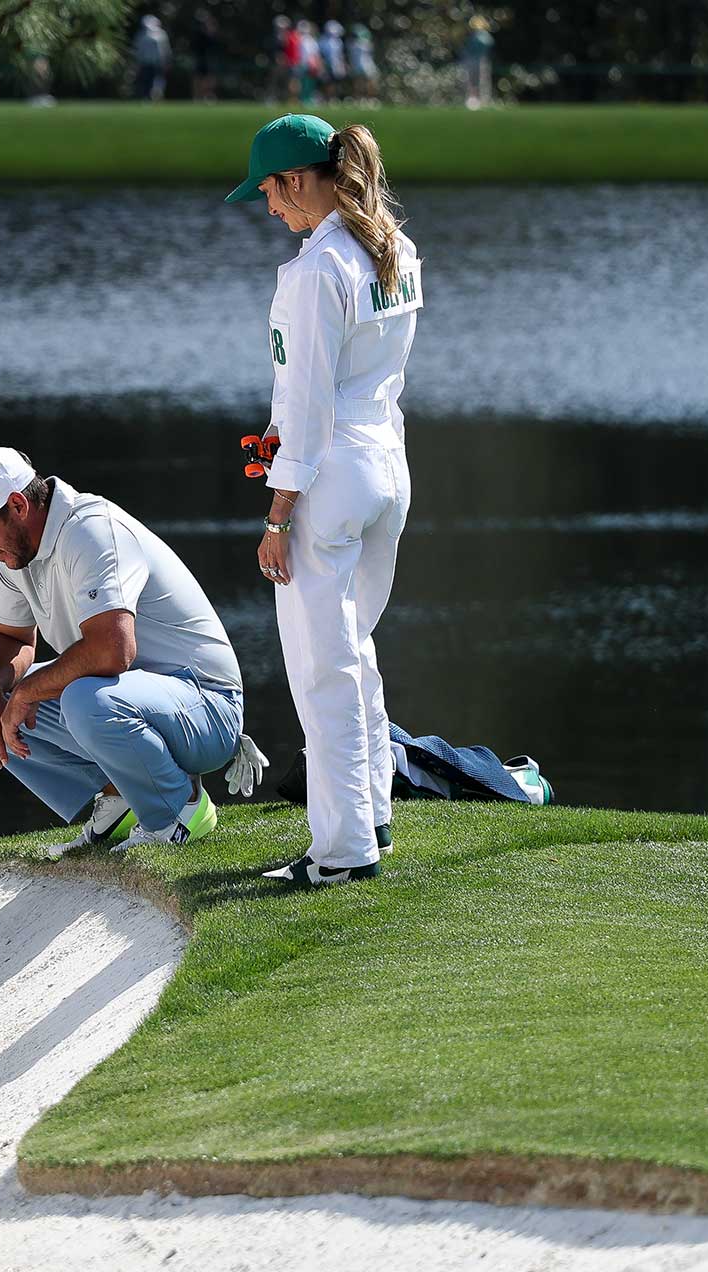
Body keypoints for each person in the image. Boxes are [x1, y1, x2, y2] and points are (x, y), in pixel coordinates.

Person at [223, 115, 422, 887]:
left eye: (269, 192)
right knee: (355, 654)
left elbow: (306, 407)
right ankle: (371, 815)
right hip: (386, 471)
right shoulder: (393, 248)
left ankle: (342, 853)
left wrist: (278, 516)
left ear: (299, 180)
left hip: (331, 480)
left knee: (321, 669)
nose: (269, 208)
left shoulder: (317, 272)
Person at [0, 447, 260, 860]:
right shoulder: (15, 553)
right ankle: (120, 794)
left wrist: (26, 691)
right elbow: (9, 636)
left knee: (84, 698)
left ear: (17, 505)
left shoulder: (91, 530)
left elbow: (113, 650)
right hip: (127, 700)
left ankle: (178, 808)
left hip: (207, 707)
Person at [131, 14, 171, 103]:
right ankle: (148, 98)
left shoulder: (161, 34)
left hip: (157, 63)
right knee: (147, 82)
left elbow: (166, 50)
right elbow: (138, 51)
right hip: (146, 63)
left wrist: (166, 61)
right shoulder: (141, 35)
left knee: (157, 81)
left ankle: (155, 98)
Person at [461, 15, 495, 110]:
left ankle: (484, 100)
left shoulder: (484, 35)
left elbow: (488, 43)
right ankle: (471, 100)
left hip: (481, 60)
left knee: (483, 81)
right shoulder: (472, 36)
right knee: (471, 81)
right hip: (471, 60)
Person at [347, 24, 379, 103]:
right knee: (369, 82)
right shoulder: (363, 43)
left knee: (358, 83)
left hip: (356, 66)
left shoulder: (350, 44)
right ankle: (369, 99)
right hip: (366, 65)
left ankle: (359, 99)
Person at [268, 16, 297, 103]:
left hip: (288, 63)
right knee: (275, 81)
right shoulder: (275, 37)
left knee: (288, 82)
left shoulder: (289, 37)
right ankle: (273, 97)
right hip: (278, 63)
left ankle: (287, 99)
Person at [318, 20, 348, 101]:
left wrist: (342, 64)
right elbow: (321, 54)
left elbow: (340, 54)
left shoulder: (338, 41)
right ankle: (327, 98)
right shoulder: (323, 40)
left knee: (335, 82)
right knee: (327, 82)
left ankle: (333, 98)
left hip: (336, 65)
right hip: (327, 64)